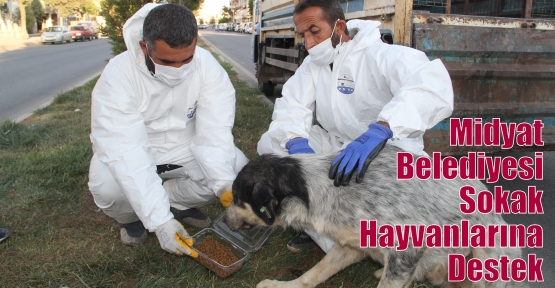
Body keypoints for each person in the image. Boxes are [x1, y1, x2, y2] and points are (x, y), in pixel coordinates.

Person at [257, 0, 454, 253]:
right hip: (338, 144)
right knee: (272, 146)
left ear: (339, 27)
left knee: (387, 201)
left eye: (314, 31)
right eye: (303, 35)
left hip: (386, 149)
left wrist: (381, 129)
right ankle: (324, 229)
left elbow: (430, 87)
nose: (308, 43)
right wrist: (297, 144)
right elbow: (292, 105)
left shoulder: (383, 55)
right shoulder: (314, 64)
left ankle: (359, 239)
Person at [88, 3, 248, 256]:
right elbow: (125, 150)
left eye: (187, 59)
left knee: (236, 170)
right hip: (136, 144)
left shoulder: (206, 65)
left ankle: (175, 201)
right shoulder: (119, 75)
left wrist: (224, 184)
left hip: (184, 143)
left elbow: (213, 134)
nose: (178, 70)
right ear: (144, 47)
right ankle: (131, 217)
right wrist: (159, 220)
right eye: (166, 61)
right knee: (108, 186)